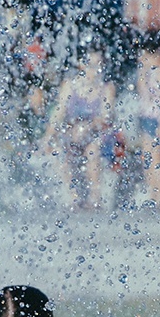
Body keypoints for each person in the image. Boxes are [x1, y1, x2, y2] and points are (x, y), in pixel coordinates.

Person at [45, 47, 116, 209]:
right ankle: (74, 198)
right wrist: (48, 136)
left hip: (98, 134)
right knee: (60, 150)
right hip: (72, 132)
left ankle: (94, 198)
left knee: (93, 150)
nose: (95, 70)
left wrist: (87, 126)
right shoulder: (70, 85)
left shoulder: (106, 88)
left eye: (99, 65)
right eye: (91, 65)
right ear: (81, 65)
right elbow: (58, 113)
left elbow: (105, 118)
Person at [122, 45, 160, 207]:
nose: (141, 60)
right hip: (147, 116)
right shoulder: (149, 72)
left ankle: (159, 196)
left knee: (155, 158)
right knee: (147, 157)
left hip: (156, 118)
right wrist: (143, 72)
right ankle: (154, 193)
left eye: (145, 57)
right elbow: (142, 92)